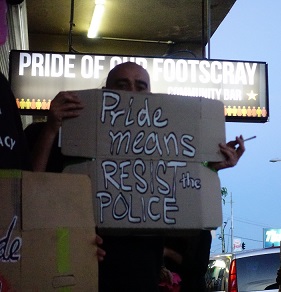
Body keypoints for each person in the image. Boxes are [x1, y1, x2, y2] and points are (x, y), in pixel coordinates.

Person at [24, 62, 245, 291]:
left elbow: (184, 202)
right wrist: (51, 127)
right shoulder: (63, 135)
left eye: (141, 86)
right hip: (76, 270)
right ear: (105, 94)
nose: (132, 92)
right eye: (122, 85)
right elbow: (28, 191)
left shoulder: (165, 147)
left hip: (141, 273)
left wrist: (210, 168)